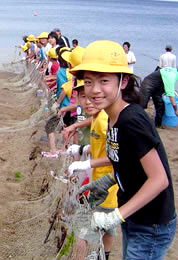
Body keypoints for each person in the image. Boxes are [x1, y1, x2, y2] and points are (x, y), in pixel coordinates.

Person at [69, 40, 176, 260]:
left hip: (151, 222)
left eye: (104, 81)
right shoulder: (111, 116)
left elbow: (159, 180)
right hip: (133, 215)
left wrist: (115, 216)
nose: (95, 90)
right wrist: (107, 181)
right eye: (88, 82)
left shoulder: (131, 120)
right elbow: (124, 159)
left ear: (123, 81)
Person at [67, 81, 117, 260]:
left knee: (82, 232)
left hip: (106, 187)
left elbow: (117, 157)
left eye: (91, 97)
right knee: (108, 227)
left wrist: (85, 164)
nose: (87, 102)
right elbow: (100, 147)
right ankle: (105, 256)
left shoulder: (104, 121)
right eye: (82, 97)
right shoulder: (97, 118)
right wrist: (82, 150)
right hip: (99, 184)